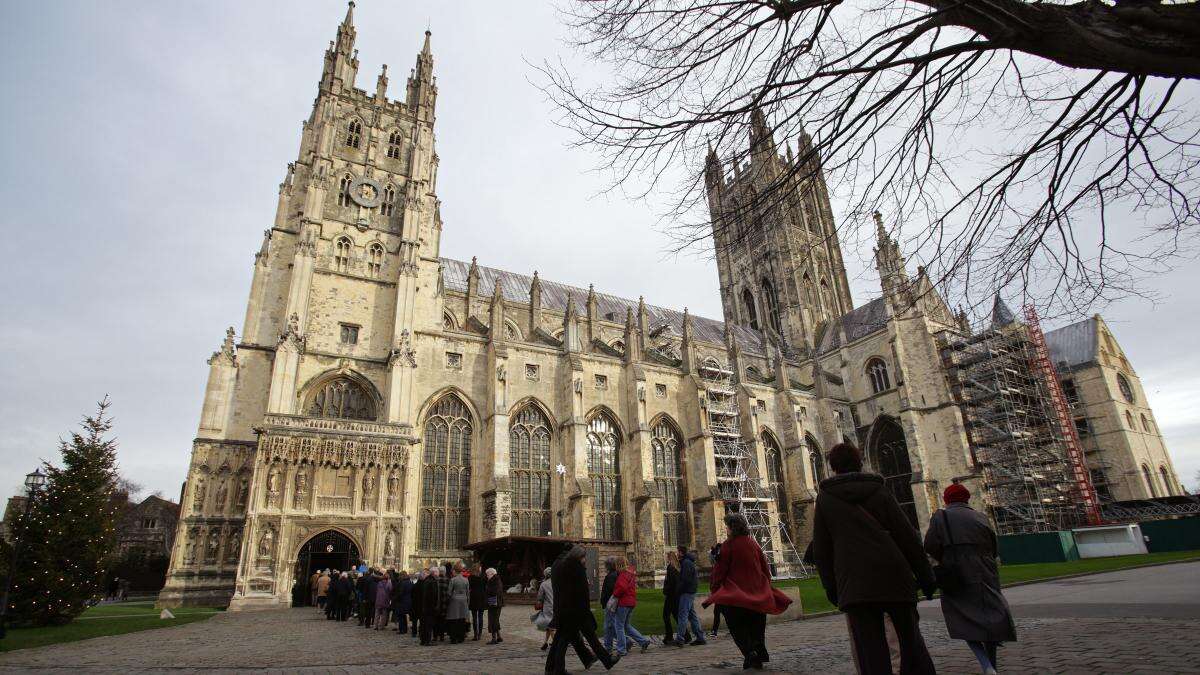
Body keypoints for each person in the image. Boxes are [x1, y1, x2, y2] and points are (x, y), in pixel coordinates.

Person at [811, 442, 937, 675]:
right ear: (860, 463)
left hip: (856, 584)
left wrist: (833, 589)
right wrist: (925, 575)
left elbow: (822, 551)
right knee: (911, 643)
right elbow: (906, 536)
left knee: (870, 652)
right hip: (894, 576)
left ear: (833, 467)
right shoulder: (878, 490)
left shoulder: (826, 499)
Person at [924, 483, 1016, 675]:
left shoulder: (941, 517)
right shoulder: (981, 516)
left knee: (963, 621)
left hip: (956, 574)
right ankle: (992, 664)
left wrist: (946, 556)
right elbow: (994, 546)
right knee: (990, 619)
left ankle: (986, 665)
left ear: (946, 499)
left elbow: (930, 545)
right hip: (986, 573)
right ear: (967, 498)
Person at [702, 513, 793, 670]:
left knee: (738, 628)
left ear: (732, 528)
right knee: (756, 626)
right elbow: (765, 570)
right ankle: (757, 651)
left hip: (736, 596)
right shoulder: (753, 544)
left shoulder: (728, 546)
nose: (726, 530)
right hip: (757, 594)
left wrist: (715, 590)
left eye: (727, 527)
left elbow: (719, 572)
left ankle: (750, 653)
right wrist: (763, 586)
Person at [545, 545, 620, 674]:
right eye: (584, 557)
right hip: (576, 610)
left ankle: (552, 668)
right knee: (565, 640)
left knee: (567, 638)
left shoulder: (557, 564)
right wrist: (586, 609)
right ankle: (557, 669)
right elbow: (582, 592)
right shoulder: (575, 567)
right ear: (578, 556)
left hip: (563, 608)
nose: (585, 560)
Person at [610, 557, 652, 656]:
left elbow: (621, 588)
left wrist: (615, 594)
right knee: (626, 626)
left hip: (623, 603)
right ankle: (643, 641)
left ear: (618, 565)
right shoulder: (631, 574)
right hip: (631, 602)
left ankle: (621, 649)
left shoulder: (622, 575)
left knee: (619, 626)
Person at [674, 545, 705, 646]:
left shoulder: (686, 563)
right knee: (692, 616)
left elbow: (685, 580)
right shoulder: (687, 562)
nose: (676, 554)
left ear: (681, 553)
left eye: (677, 552)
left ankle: (680, 638)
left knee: (682, 615)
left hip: (687, 592)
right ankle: (700, 637)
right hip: (689, 591)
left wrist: (678, 590)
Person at [662, 551, 684, 644]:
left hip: (671, 595)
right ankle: (686, 635)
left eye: (667, 557)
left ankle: (669, 636)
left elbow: (671, 583)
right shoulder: (677, 567)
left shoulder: (671, 568)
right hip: (675, 595)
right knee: (675, 615)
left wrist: (666, 590)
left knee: (666, 615)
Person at [446, 563, 471, 643]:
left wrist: (448, 600)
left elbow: (449, 592)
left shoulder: (453, 580)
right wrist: (467, 602)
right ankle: (461, 637)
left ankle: (454, 637)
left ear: (455, 571)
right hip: (463, 600)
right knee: (462, 619)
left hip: (454, 600)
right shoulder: (466, 580)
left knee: (454, 619)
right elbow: (468, 593)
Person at [420, 567, 445, 645]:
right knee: (428, 624)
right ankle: (427, 640)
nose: (438, 574)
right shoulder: (432, 581)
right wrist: (435, 606)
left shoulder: (426, 580)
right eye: (437, 572)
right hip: (430, 607)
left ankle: (424, 640)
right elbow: (433, 595)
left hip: (426, 606)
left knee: (425, 624)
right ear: (434, 573)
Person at [533, 565, 555, 650]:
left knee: (551, 627)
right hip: (557, 607)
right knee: (548, 626)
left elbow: (540, 597)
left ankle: (556, 644)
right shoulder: (557, 582)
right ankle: (545, 643)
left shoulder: (544, 584)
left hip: (548, 608)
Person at [708, 544, 726, 638]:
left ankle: (714, 631)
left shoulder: (721, 565)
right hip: (718, 592)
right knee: (722, 612)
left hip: (721, 593)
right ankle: (714, 631)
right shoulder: (717, 566)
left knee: (718, 612)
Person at [484, 567, 505, 644]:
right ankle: (499, 637)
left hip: (494, 603)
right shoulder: (495, 580)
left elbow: (495, 592)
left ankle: (494, 639)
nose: (487, 576)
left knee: (493, 620)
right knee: (495, 620)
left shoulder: (494, 581)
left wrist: (487, 590)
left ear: (492, 574)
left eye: (487, 574)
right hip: (495, 602)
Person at [468, 563, 487, 641]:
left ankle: (476, 634)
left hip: (474, 597)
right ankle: (479, 634)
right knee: (480, 616)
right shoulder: (483, 577)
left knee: (474, 617)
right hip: (482, 597)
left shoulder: (470, 577)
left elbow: (469, 587)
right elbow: (486, 586)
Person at [393, 570, 413, 634]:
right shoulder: (409, 582)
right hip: (408, 601)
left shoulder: (403, 583)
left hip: (402, 601)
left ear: (402, 576)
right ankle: (405, 629)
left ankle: (402, 630)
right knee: (404, 616)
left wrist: (395, 598)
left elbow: (400, 593)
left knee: (401, 616)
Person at [411, 569, 426, 638]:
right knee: (422, 620)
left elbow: (412, 596)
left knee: (414, 620)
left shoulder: (414, 586)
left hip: (415, 605)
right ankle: (420, 632)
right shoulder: (425, 586)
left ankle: (414, 632)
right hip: (422, 605)